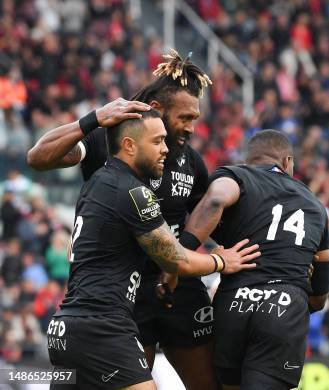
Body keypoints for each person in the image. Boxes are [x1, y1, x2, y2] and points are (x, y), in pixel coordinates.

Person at [27, 50, 219, 389]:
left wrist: (181, 257)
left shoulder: (192, 163)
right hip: (125, 297)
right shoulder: (112, 142)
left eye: (195, 118)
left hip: (177, 284)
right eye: (185, 118)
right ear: (157, 112)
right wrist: (95, 118)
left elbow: (209, 209)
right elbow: (39, 158)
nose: (192, 127)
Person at [47, 111, 259, 389]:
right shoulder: (134, 192)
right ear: (129, 145)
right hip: (102, 328)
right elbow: (177, 261)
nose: (165, 149)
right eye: (158, 141)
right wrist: (221, 260)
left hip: (65, 329)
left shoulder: (96, 183)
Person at [179, 129, 329, 390]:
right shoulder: (315, 204)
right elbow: (318, 296)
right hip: (285, 306)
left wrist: (181, 254)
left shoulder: (236, 175)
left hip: (235, 301)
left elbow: (216, 198)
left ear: (249, 159)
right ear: (287, 162)